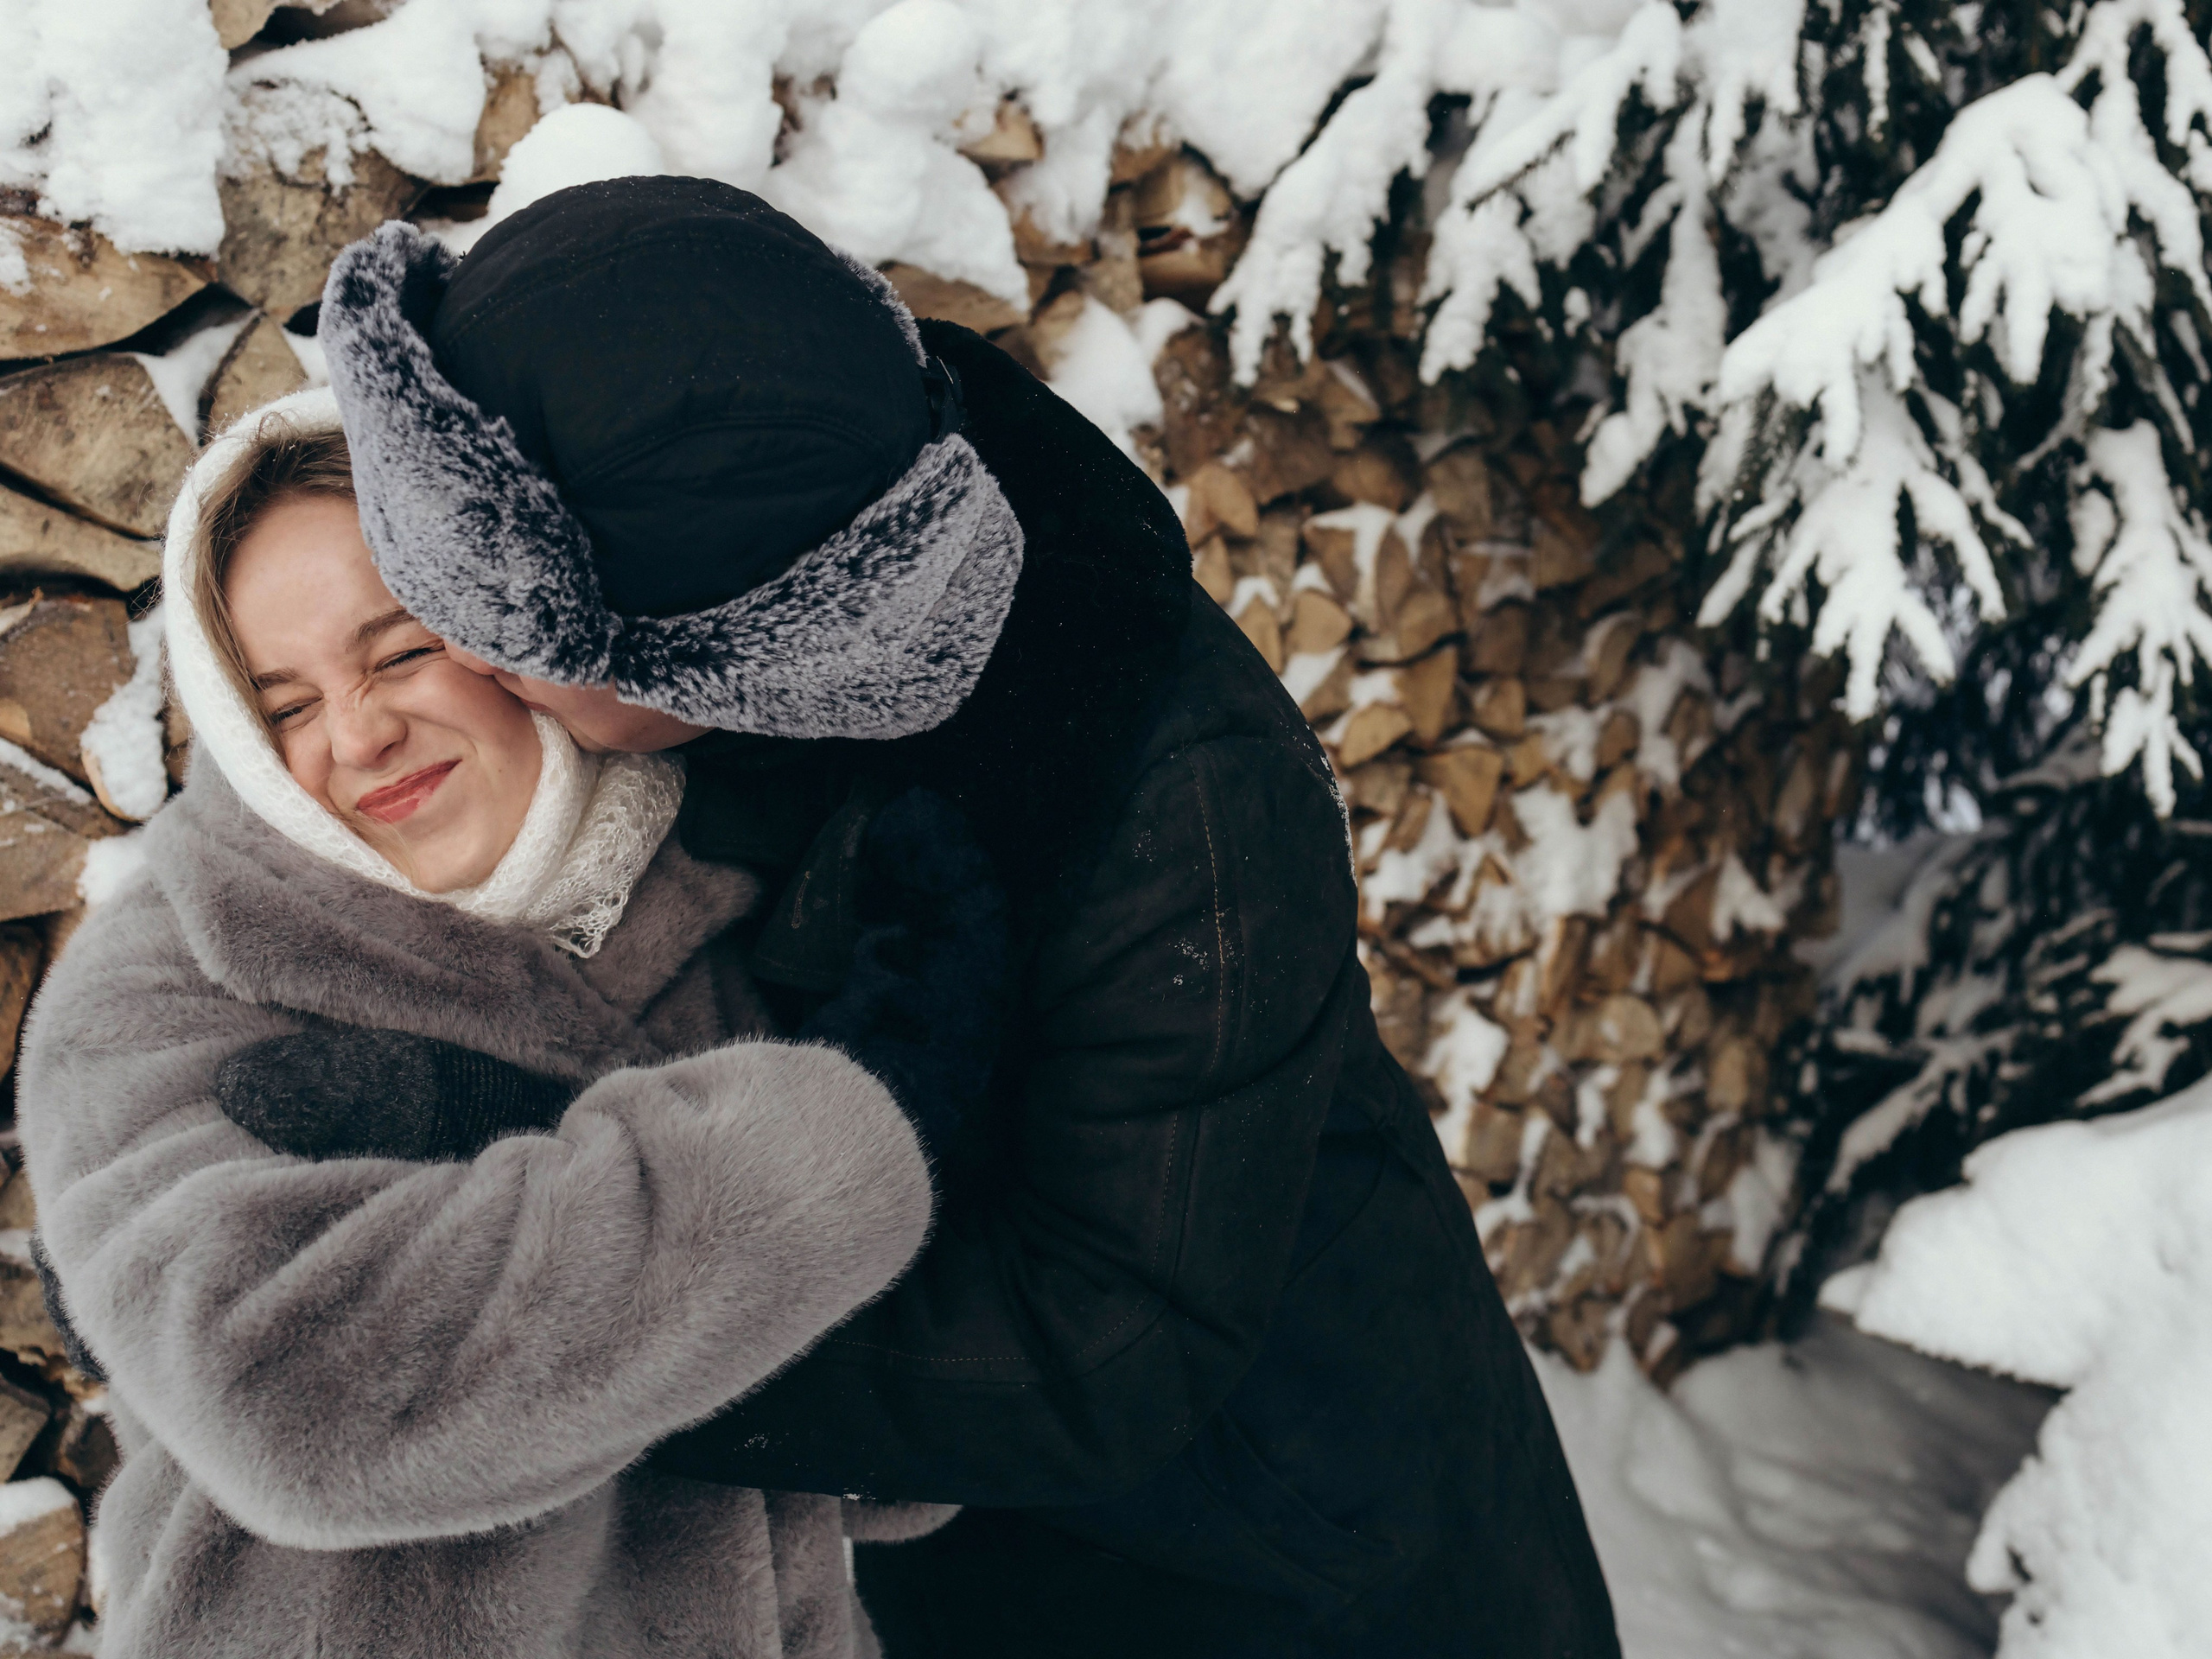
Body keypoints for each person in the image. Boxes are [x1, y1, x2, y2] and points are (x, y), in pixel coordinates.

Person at [271, 177, 1620, 1656]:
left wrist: (565, 1358)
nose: (461, 662)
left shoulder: (1183, 817)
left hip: (1270, 1549)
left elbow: (1100, 1341)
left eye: (518, 646)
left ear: (731, 654)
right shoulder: (766, 495)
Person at [15, 391, 971, 1659]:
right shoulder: (168, 983)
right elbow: (293, 1405)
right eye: (284, 705)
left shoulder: (718, 902)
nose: (357, 737)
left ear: (511, 627)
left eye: (400, 650)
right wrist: (803, 1159)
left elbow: (911, 1453)